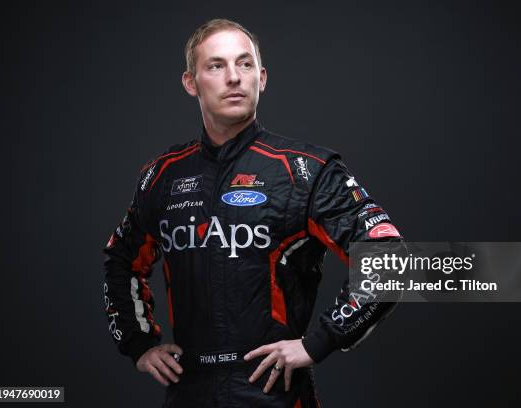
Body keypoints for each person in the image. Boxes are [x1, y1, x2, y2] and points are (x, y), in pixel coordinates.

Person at [103, 18, 405, 407]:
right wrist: (138, 344)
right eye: (216, 66)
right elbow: (120, 259)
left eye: (244, 64)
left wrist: (319, 342)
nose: (233, 77)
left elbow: (390, 260)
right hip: (188, 393)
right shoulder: (162, 175)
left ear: (261, 78)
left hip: (273, 394)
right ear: (191, 83)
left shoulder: (305, 171)